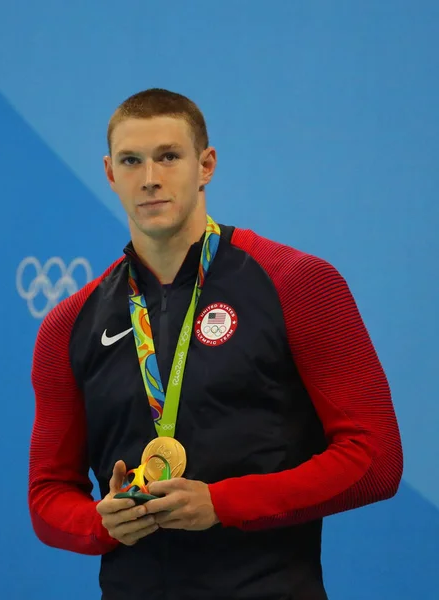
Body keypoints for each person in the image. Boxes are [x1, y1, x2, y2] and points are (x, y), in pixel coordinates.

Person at [28, 88, 403, 600]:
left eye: (169, 156)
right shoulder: (68, 324)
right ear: (111, 174)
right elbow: (47, 495)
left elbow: (375, 458)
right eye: (131, 161)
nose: (151, 178)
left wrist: (223, 504)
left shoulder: (297, 282)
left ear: (206, 165)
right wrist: (100, 522)